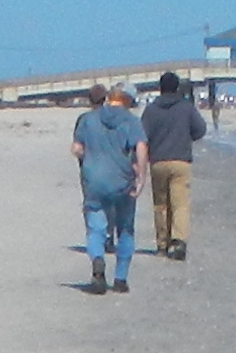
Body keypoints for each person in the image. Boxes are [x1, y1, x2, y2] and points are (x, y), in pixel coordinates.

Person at [70, 81, 145, 293]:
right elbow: (141, 148)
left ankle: (98, 261)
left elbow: (76, 149)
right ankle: (120, 279)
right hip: (122, 180)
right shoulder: (132, 121)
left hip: (94, 180)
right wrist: (141, 176)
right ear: (128, 101)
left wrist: (89, 160)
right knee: (125, 229)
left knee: (95, 227)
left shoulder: (88, 119)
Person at [141, 68, 206, 260]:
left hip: (158, 161)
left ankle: (162, 244)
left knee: (160, 205)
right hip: (180, 160)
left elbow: (142, 136)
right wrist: (186, 137)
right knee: (180, 204)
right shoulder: (186, 107)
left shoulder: (151, 110)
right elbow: (200, 129)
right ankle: (178, 241)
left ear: (160, 88)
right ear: (177, 88)